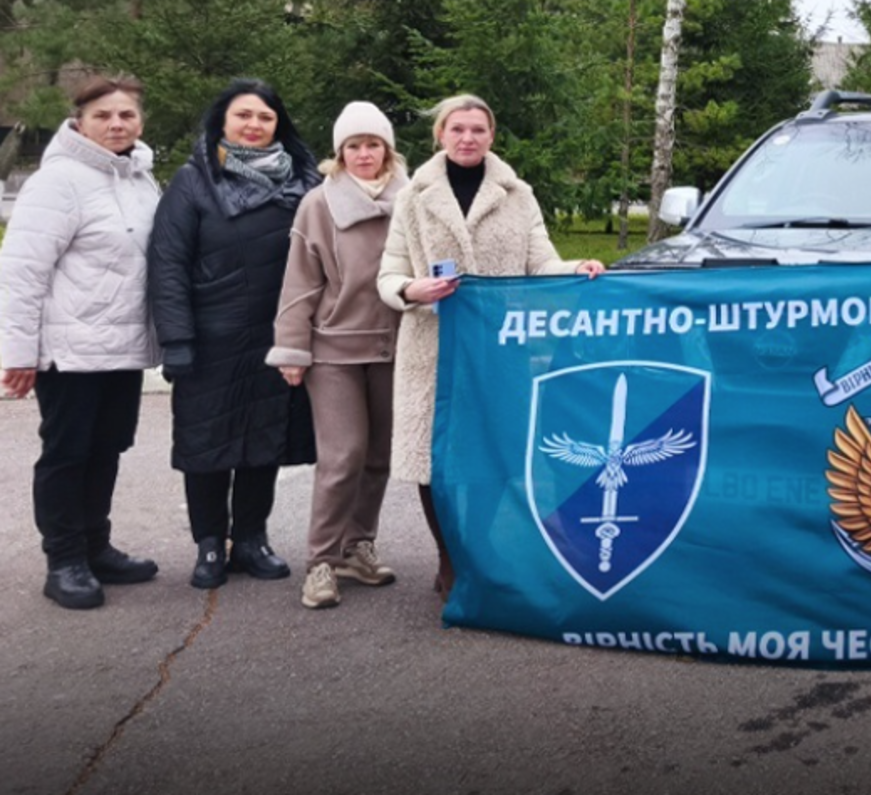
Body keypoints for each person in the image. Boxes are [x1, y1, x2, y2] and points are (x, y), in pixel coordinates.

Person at [377, 94, 607, 602]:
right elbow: (388, 276)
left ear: (491, 136)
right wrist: (414, 290)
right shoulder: (412, 197)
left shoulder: (517, 196)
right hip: (431, 347)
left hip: (500, 350)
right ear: (440, 134)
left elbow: (541, 263)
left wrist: (578, 267)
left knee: (491, 454)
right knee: (432, 459)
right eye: (457, 129)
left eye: (477, 129)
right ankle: (448, 556)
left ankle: (477, 546)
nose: (467, 138)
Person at [149, 79, 322, 589]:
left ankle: (251, 538)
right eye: (243, 115)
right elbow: (168, 263)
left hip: (278, 335)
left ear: (278, 125)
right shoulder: (193, 181)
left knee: (265, 439)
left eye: (265, 117)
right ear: (222, 123)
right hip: (211, 339)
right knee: (207, 442)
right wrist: (176, 341)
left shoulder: (303, 184)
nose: (254, 124)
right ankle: (210, 542)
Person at [1, 75, 163, 609]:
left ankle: (96, 547)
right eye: (104, 116)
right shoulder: (58, 181)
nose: (116, 124)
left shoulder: (142, 179)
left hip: (121, 347)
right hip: (67, 352)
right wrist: (19, 353)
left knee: (107, 448)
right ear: (81, 121)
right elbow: (22, 272)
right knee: (68, 453)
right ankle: (64, 559)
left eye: (126, 115)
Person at [267, 102, 409, 611]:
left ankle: (357, 546)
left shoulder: (412, 199)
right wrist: (292, 346)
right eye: (354, 146)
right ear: (339, 153)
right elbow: (300, 284)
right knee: (343, 455)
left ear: (387, 150)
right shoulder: (318, 204)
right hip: (333, 350)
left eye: (373, 144)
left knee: (379, 456)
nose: (364, 154)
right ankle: (321, 561)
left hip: (396, 347)